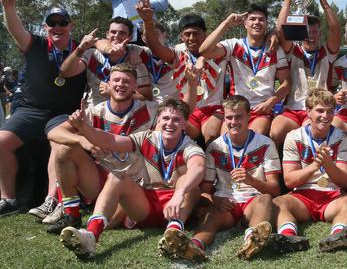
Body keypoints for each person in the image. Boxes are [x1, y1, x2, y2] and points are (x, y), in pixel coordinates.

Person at [45, 63, 197, 234]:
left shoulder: (150, 110)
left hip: (135, 184)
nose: (120, 85)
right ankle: (71, 214)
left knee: (114, 220)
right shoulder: (94, 111)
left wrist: (192, 84)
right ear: (108, 84)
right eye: (116, 80)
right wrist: (82, 140)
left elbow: (183, 112)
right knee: (63, 149)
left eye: (126, 81)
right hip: (101, 179)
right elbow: (54, 132)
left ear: (135, 86)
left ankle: (115, 216)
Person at [59, 98, 205, 260]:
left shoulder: (190, 147)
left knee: (187, 181)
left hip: (177, 207)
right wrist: (84, 128)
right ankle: (91, 235)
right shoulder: (146, 138)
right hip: (146, 205)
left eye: (176, 119)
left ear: (184, 124)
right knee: (117, 176)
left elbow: (198, 167)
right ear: (158, 120)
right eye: (166, 118)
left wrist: (179, 194)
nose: (170, 123)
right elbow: (110, 141)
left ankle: (175, 232)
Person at [159, 95, 292, 262]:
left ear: (249, 116)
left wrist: (252, 181)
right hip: (226, 204)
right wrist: (215, 199)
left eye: (239, 117)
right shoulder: (215, 147)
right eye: (229, 117)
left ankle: (251, 240)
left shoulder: (266, 144)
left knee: (265, 199)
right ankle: (194, 245)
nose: (233, 121)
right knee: (211, 216)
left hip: (253, 202)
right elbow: (204, 192)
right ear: (224, 118)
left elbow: (275, 189)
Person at [0, 0, 86, 218]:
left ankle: (50, 200)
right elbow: (15, 29)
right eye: (52, 23)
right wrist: (8, 8)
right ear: (45, 26)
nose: (57, 26)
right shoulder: (35, 44)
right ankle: (8, 200)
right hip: (31, 110)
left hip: (63, 113)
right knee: (1, 142)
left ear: (71, 25)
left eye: (62, 22)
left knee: (59, 145)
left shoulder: (81, 49)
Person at [273, 89, 347, 252]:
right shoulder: (294, 136)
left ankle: (337, 236)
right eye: (320, 110)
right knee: (278, 202)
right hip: (303, 195)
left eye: (330, 111)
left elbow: (344, 181)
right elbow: (289, 181)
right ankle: (288, 237)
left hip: (332, 196)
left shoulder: (343, 138)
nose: (326, 116)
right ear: (308, 111)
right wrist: (314, 167)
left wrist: (327, 164)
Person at [139, 0, 227, 143]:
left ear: (205, 34)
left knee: (211, 135)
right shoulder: (178, 53)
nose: (192, 38)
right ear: (181, 37)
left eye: (196, 33)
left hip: (213, 109)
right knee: (162, 131)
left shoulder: (219, 50)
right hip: (188, 109)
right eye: (187, 34)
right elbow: (155, 47)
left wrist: (202, 58)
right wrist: (148, 21)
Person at [269, 0, 340, 149]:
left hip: (319, 109)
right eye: (307, 31)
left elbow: (335, 29)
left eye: (315, 31)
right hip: (293, 108)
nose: (311, 36)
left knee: (308, 133)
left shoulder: (327, 52)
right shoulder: (293, 50)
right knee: (275, 132)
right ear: (301, 32)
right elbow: (280, 30)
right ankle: (281, 173)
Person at [200, 4, 290, 136]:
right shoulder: (233, 45)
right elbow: (204, 51)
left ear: (266, 23)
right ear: (245, 23)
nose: (257, 22)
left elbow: (286, 84)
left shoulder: (275, 49)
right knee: (225, 138)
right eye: (252, 19)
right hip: (236, 108)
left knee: (254, 137)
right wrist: (226, 24)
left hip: (261, 110)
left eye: (261, 19)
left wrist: (271, 102)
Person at [58, 17, 152, 106]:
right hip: (94, 111)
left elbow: (146, 97)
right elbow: (65, 73)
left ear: (130, 37)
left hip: (127, 113)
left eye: (122, 33)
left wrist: (114, 93)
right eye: (113, 32)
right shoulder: (92, 54)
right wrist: (80, 48)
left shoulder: (137, 53)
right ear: (107, 34)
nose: (116, 36)